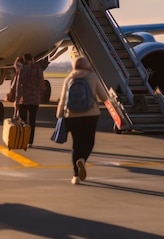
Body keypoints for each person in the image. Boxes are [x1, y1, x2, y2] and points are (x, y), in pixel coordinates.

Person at [56, 56, 108, 185]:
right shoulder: (92, 77)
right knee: (89, 142)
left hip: (71, 116)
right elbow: (103, 97)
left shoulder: (69, 78)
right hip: (90, 115)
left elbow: (62, 99)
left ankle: (75, 176)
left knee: (76, 144)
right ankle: (83, 160)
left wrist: (59, 115)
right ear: (86, 66)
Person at [13, 53, 45, 146]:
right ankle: (30, 142)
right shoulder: (38, 69)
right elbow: (41, 83)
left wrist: (16, 100)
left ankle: (23, 139)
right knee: (32, 121)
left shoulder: (22, 70)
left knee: (23, 121)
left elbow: (18, 86)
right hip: (34, 99)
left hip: (24, 99)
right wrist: (40, 93)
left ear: (24, 60)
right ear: (32, 59)